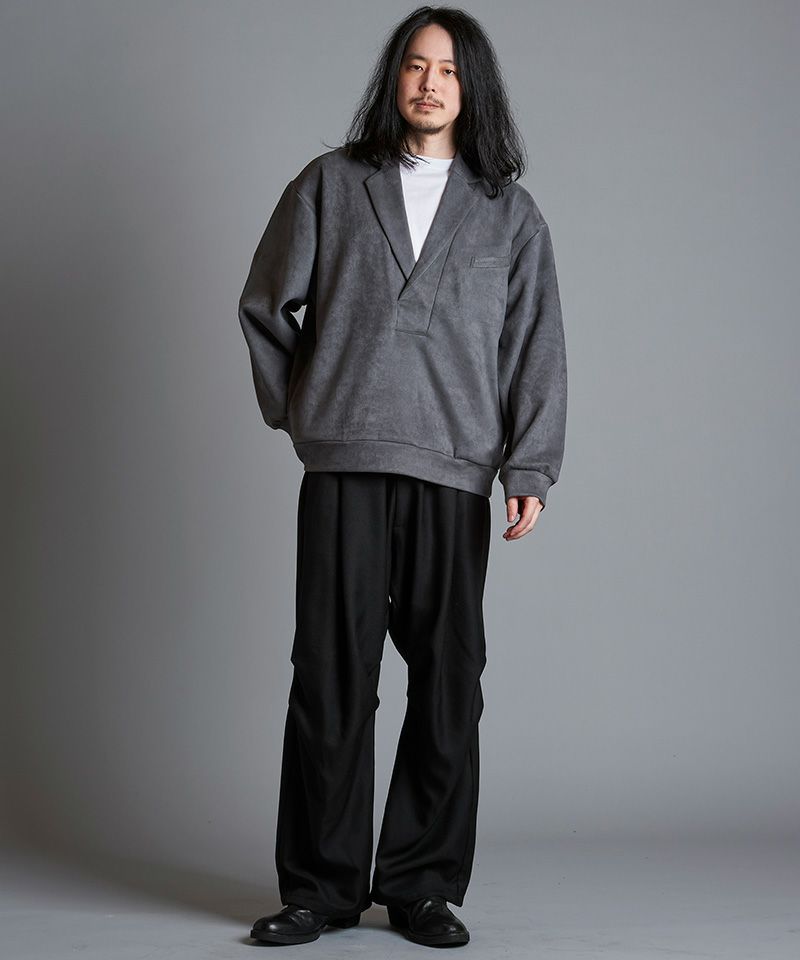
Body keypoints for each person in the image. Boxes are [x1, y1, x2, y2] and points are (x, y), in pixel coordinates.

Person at [238, 5, 567, 948]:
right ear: (394, 78)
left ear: (473, 89)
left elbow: (535, 345)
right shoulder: (332, 185)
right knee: (330, 674)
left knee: (449, 680)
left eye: (450, 70)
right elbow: (265, 303)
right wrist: (303, 408)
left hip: (455, 472)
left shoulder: (509, 214)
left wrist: (529, 462)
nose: (430, 83)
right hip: (345, 465)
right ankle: (320, 889)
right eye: (417, 66)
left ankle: (421, 884)